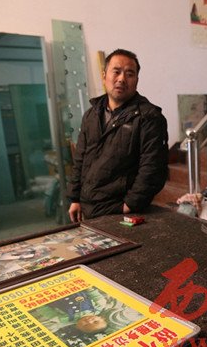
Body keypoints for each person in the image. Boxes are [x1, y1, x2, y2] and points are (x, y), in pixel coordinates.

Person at [67, 49, 169, 221]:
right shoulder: (91, 115)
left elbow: (153, 168)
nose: (122, 79)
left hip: (119, 211)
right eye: (116, 71)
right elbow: (80, 158)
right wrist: (75, 198)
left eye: (129, 74)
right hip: (87, 208)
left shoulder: (148, 117)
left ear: (137, 80)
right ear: (104, 75)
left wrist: (130, 205)